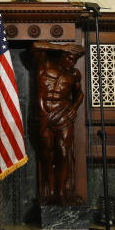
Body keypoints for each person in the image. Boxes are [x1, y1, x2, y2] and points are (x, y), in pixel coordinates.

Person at [32, 42, 84, 205]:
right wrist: (62, 47)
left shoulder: (74, 74)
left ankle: (61, 193)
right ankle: (51, 191)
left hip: (64, 113)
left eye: (75, 59)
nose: (71, 61)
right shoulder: (45, 65)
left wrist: (74, 108)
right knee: (47, 154)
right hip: (45, 114)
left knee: (63, 152)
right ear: (63, 55)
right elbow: (35, 45)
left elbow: (79, 94)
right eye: (69, 57)